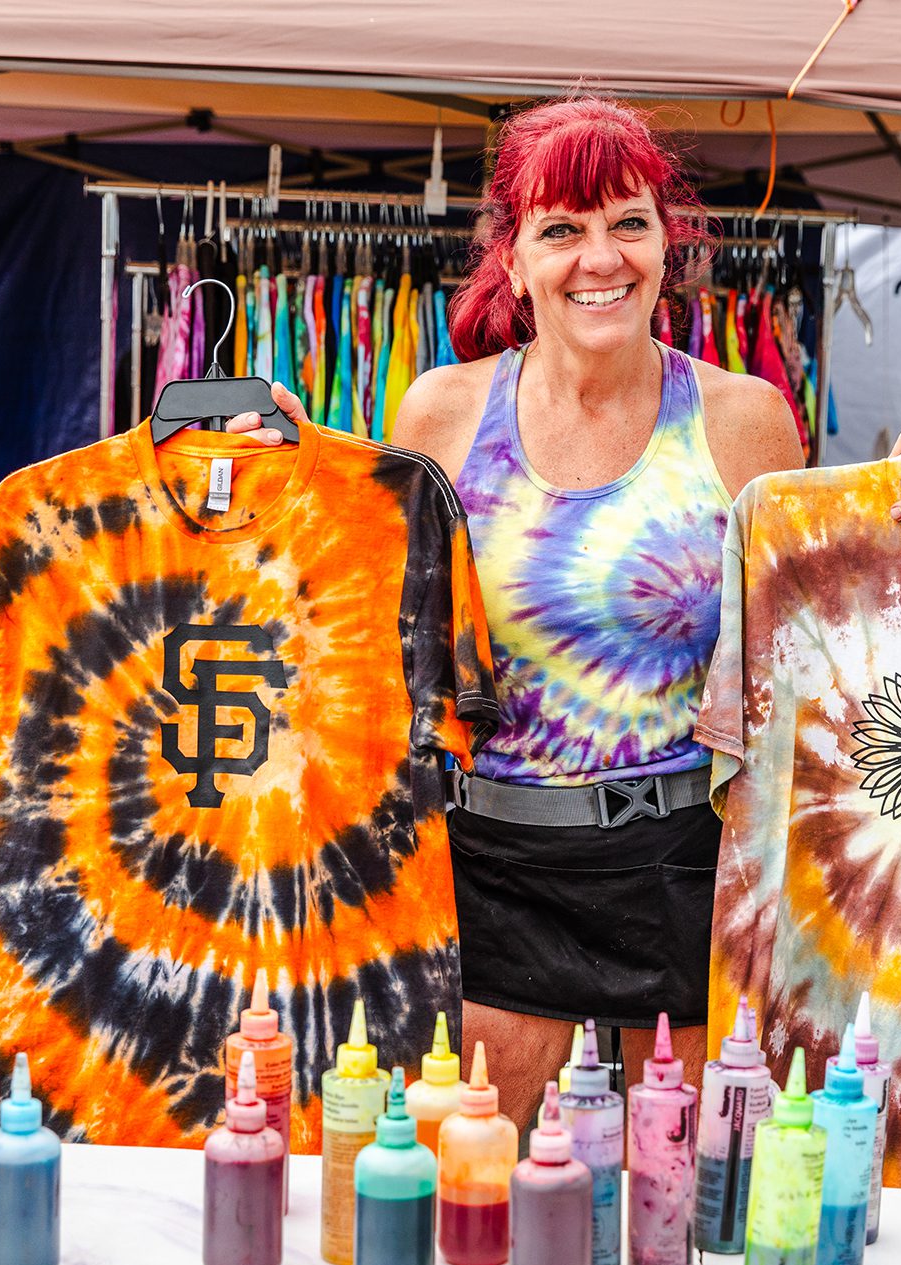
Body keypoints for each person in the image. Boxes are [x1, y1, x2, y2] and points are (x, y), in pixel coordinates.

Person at [229, 97, 803, 1123]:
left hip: (686, 866)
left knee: (685, 1226)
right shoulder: (443, 413)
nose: (601, 257)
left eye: (629, 221)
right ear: (514, 256)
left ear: (671, 241)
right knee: (478, 1208)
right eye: (563, 228)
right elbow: (371, 631)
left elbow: (812, 653)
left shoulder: (744, 420)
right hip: (492, 867)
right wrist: (289, 479)